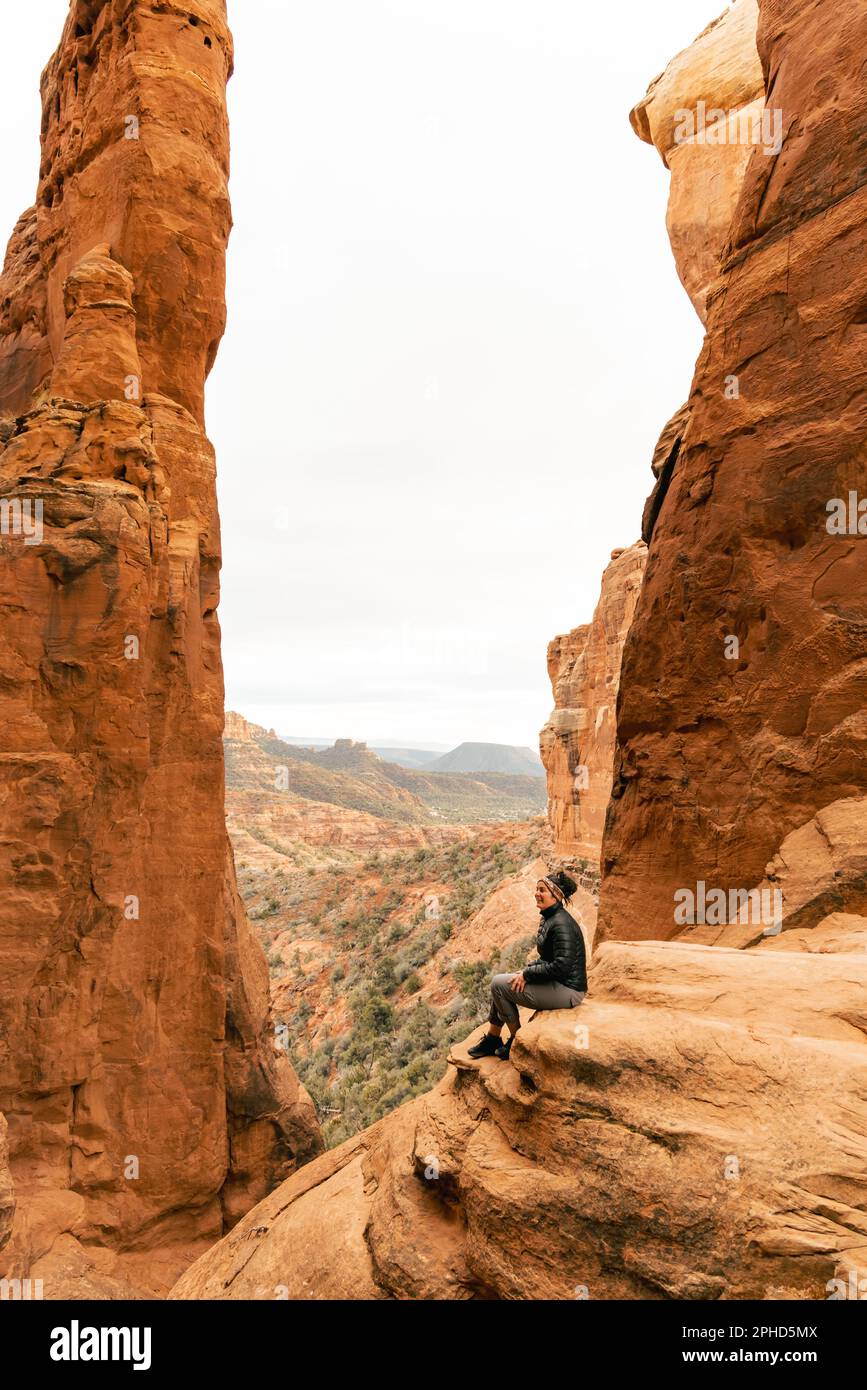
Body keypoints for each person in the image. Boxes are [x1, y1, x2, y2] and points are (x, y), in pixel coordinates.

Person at [467, 870, 587, 1061]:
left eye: (542, 890)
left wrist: (528, 974)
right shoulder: (550, 916)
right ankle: (492, 1038)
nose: (536, 893)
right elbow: (549, 958)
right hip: (559, 982)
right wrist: (525, 972)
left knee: (499, 985)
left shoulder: (561, 924)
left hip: (569, 990)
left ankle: (516, 1041)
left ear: (555, 895)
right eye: (536, 889)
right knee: (506, 982)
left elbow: (561, 966)